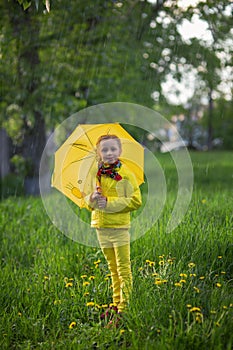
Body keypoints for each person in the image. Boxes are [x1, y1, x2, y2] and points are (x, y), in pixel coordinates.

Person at [83, 134, 142, 320]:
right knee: (112, 269)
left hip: (119, 229)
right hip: (101, 227)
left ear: (120, 151)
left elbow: (135, 201)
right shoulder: (96, 174)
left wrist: (109, 202)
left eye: (113, 149)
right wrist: (91, 199)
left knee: (123, 269)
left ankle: (124, 310)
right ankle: (116, 304)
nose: (109, 153)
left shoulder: (125, 174)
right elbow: (87, 202)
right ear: (99, 153)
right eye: (105, 150)